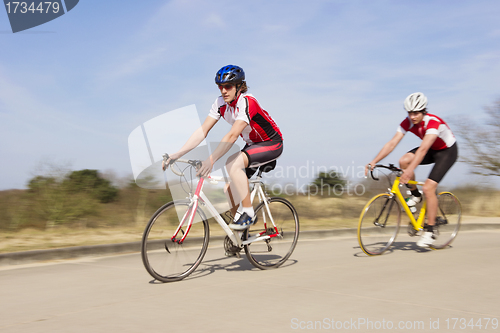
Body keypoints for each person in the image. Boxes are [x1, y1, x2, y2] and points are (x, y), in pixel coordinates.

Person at [163, 65, 283, 230]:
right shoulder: (220, 104)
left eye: (228, 86)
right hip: (252, 144)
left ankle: (248, 213)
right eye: (220, 87)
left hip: (271, 143)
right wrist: (177, 154)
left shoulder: (247, 102)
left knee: (231, 164)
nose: (223, 91)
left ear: (239, 87)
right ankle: (240, 236)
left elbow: (232, 136)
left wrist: (210, 160)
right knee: (229, 188)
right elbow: (202, 131)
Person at [365, 92, 458, 247]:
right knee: (403, 161)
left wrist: (410, 172)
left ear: (423, 111)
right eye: (410, 113)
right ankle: (415, 194)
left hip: (446, 152)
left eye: (416, 113)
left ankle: (430, 230)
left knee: (429, 187)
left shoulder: (433, 122)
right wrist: (374, 161)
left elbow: (422, 150)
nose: (413, 116)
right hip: (430, 150)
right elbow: (392, 143)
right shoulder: (407, 122)